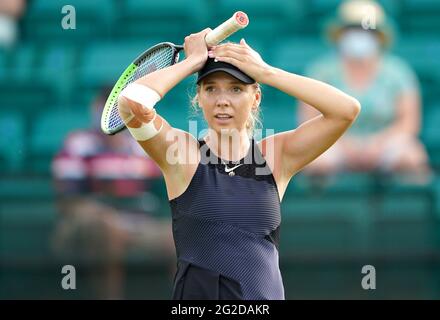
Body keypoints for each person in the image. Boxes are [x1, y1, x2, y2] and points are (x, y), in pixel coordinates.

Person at [117, 29, 361, 300]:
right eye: (211, 89)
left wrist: (266, 72)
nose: (222, 100)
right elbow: (130, 103)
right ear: (198, 97)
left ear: (255, 97)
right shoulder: (183, 154)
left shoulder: (274, 156)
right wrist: (191, 62)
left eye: (235, 89)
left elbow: (346, 110)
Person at [52, 87, 174, 299]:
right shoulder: (77, 143)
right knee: (106, 230)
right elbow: (69, 199)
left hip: (139, 224)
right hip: (87, 224)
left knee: (182, 237)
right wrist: (103, 215)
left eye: (119, 107)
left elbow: (164, 190)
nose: (111, 113)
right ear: (95, 108)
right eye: (106, 106)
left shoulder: (141, 147)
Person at [298, 0, 431, 180]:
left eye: (366, 30)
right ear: (341, 33)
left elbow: (409, 122)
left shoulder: (398, 71)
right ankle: (321, 208)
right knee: (317, 164)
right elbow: (308, 119)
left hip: (386, 143)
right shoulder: (321, 71)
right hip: (332, 143)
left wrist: (377, 145)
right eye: (353, 29)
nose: (359, 35)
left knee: (413, 158)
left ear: (378, 35)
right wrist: (346, 145)